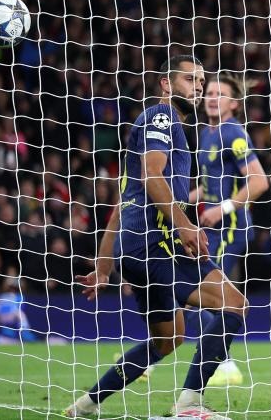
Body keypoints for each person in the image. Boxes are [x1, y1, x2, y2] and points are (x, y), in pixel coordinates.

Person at [64, 55, 245, 420]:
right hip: (155, 243)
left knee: (168, 339)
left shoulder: (169, 131)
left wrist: (104, 265)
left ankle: (84, 406)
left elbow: (123, 203)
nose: (198, 87)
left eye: (201, 80)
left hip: (134, 247)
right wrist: (184, 225)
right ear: (166, 83)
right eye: (190, 79)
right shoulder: (161, 117)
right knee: (234, 304)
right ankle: (189, 406)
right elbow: (150, 175)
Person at [189, 73, 269, 387]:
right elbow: (210, 186)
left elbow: (259, 181)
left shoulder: (233, 132)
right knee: (191, 293)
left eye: (219, 94)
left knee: (204, 292)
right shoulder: (206, 133)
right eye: (209, 92)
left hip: (231, 228)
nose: (212, 98)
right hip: (212, 228)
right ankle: (219, 360)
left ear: (234, 103)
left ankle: (224, 363)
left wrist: (221, 208)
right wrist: (179, 199)